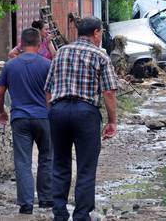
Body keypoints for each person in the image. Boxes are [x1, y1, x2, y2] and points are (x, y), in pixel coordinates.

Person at [45, 17, 118, 221]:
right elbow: (109, 92)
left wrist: (52, 112)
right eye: (101, 33)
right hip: (85, 113)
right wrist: (113, 121)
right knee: (86, 166)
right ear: (96, 32)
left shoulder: (61, 52)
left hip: (58, 111)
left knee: (60, 163)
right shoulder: (100, 55)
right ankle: (81, 215)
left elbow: (48, 89)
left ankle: (59, 213)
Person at [0, 28, 53, 214]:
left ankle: (26, 204)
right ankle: (46, 199)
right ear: (39, 44)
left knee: (23, 161)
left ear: (21, 43)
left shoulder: (10, 65)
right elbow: (50, 94)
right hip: (43, 117)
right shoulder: (46, 64)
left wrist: (1, 111)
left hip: (20, 119)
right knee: (46, 158)